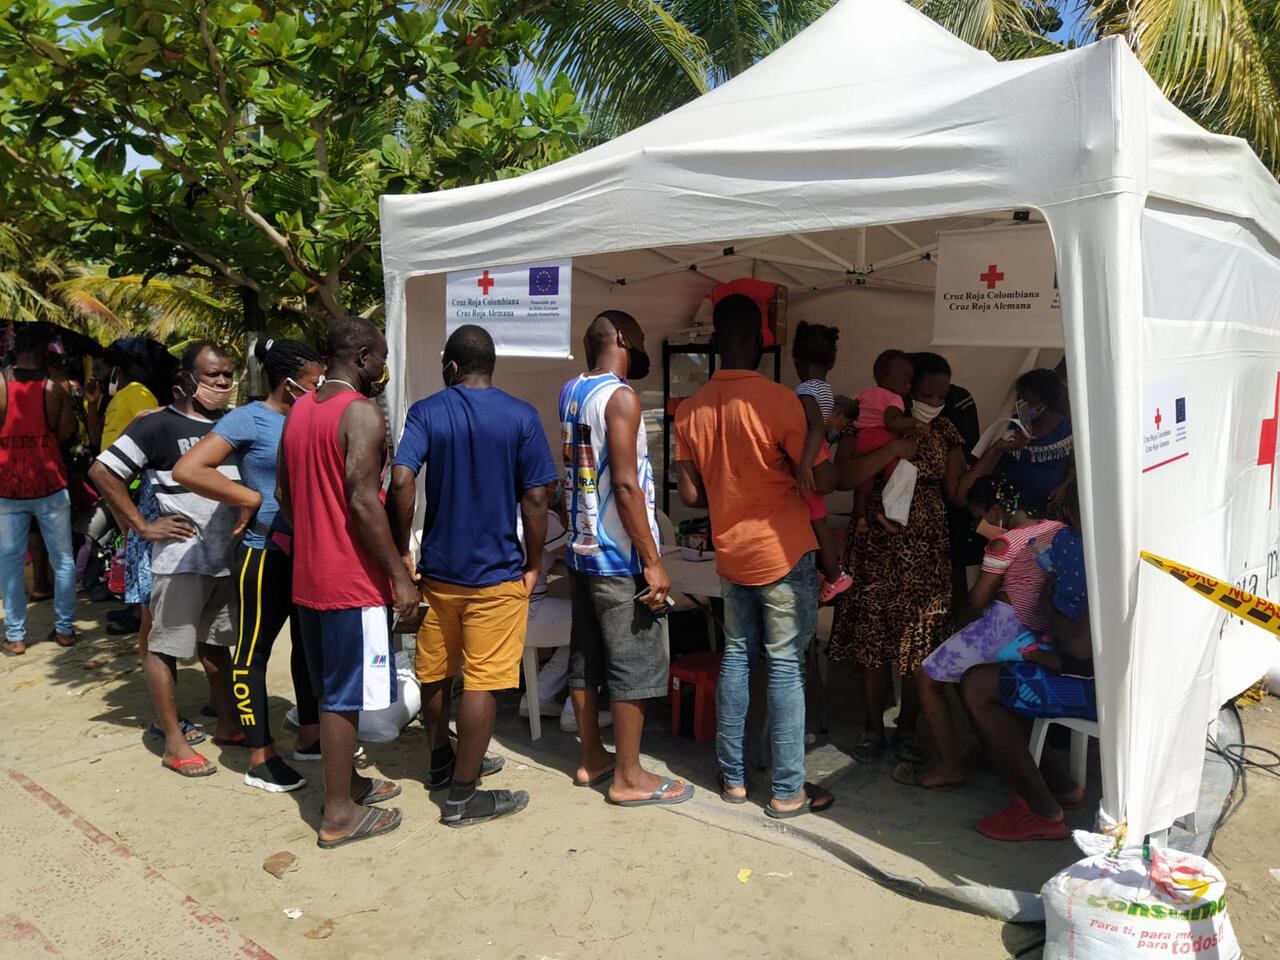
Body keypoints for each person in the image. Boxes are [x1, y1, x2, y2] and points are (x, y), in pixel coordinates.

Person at [674, 293, 835, 818]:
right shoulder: (781, 400)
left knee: (738, 658)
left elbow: (692, 497)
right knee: (786, 669)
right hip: (784, 551)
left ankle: (735, 781)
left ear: (717, 342)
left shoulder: (691, 409)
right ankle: (788, 790)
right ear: (764, 340)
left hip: (732, 555)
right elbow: (824, 479)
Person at [388, 324, 553, 827]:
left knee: (436, 670)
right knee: (482, 682)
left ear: (452, 367)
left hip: (439, 574)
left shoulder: (426, 412)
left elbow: (400, 482)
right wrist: (534, 561)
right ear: (491, 365)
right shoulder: (522, 416)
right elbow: (538, 498)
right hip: (497, 574)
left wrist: (402, 553)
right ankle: (463, 795)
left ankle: (443, 762)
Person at [278, 316, 412, 848]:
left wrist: (316, 534)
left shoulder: (299, 412)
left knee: (329, 688)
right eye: (380, 357)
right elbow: (362, 499)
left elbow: (286, 498)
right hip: (348, 582)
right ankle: (339, 814)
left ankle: (347, 784)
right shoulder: (360, 413)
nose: (382, 367)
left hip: (309, 576)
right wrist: (399, 575)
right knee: (343, 697)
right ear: (361, 357)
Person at [173, 338, 326, 793]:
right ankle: (260, 754)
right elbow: (189, 468)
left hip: (305, 555)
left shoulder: (310, 415)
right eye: (314, 382)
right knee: (253, 652)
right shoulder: (249, 419)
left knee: (306, 647)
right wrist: (249, 498)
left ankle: (311, 735)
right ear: (289, 382)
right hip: (263, 554)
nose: (319, 389)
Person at [89, 342, 244, 775]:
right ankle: (173, 741)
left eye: (227, 376)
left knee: (217, 640)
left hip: (224, 558)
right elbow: (104, 471)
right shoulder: (156, 425)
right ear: (188, 379)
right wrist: (142, 525)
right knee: (164, 644)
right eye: (213, 376)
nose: (222, 384)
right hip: (179, 558)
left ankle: (227, 720)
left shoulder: (233, 423)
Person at [558, 311, 690, 806]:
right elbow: (626, 482)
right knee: (633, 663)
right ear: (620, 338)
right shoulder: (621, 396)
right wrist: (652, 559)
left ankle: (592, 757)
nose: (640, 348)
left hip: (582, 548)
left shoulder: (570, 390)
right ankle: (629, 777)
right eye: (636, 339)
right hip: (618, 557)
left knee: (585, 658)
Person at [828, 351, 967, 766]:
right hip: (876, 551)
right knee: (873, 644)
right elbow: (844, 477)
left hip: (925, 555)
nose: (935, 401)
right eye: (926, 392)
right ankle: (873, 728)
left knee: (916, 646)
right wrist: (894, 448)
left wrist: (995, 456)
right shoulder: (870, 420)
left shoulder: (945, 430)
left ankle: (907, 729)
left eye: (943, 395)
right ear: (905, 389)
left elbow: (957, 491)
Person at [895, 476, 1064, 790]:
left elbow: (978, 600)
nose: (979, 525)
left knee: (927, 677)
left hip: (1004, 628)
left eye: (979, 516)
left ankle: (949, 765)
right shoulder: (1056, 530)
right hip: (1041, 631)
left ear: (997, 509)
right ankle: (991, 752)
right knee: (969, 679)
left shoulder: (1004, 543)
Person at [961, 481, 1093, 841]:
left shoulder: (1092, 557)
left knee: (978, 686)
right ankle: (1063, 786)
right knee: (1008, 682)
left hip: (1093, 686)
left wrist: (1048, 604)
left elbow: (1079, 648)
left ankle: (1042, 811)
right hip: (1100, 674)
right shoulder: (1100, 549)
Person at [0, 326, 78, 654]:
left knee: (10, 561)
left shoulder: (0, 383)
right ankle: (64, 630)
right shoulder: (54, 387)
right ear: (44, 352)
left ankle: (16, 636)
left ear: (13, 350)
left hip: (7, 485)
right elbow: (65, 431)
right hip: (49, 483)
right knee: (62, 559)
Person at [791, 321, 853, 603]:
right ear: (832, 361)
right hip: (821, 452)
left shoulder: (805, 391)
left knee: (817, 521)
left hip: (813, 457)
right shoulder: (824, 388)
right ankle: (828, 571)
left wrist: (804, 465)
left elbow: (814, 429)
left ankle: (834, 576)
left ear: (795, 359)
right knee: (816, 518)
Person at [958, 368, 1073, 516]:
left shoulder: (1067, 427)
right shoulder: (1013, 425)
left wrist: (1065, 486)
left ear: (1045, 400)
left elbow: (1076, 464)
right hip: (1012, 511)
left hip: (1050, 509)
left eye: (1027, 400)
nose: (1022, 405)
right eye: (1020, 399)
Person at [853, 349, 919, 533]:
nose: (908, 387)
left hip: (863, 439)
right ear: (887, 380)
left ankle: (861, 518)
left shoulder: (866, 392)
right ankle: (885, 514)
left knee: (863, 486)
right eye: (905, 382)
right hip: (882, 440)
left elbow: (852, 409)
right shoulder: (894, 398)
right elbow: (891, 422)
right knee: (897, 478)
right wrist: (914, 422)